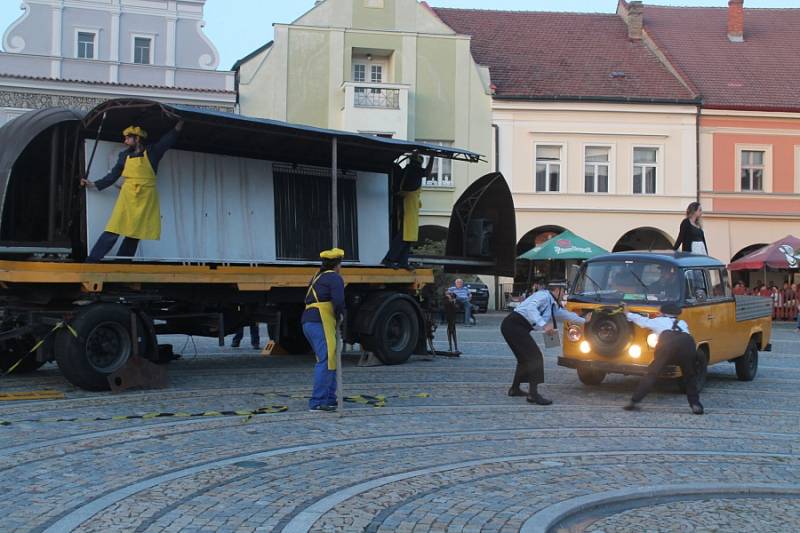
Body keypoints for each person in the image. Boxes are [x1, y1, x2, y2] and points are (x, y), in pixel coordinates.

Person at [82, 121, 184, 261]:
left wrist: (178, 126)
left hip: (146, 197)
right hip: (128, 195)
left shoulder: (153, 152)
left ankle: (122, 264)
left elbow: (167, 141)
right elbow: (113, 175)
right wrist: (94, 184)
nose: (125, 141)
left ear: (137, 138)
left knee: (135, 233)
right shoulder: (124, 156)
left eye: (128, 138)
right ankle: (91, 261)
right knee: (114, 227)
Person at [502, 280, 587, 405]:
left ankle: (514, 389)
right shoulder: (543, 295)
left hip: (513, 326)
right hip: (514, 325)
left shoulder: (552, 303)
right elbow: (531, 308)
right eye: (563, 291)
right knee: (535, 357)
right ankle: (533, 394)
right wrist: (544, 325)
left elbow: (565, 315)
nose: (564, 294)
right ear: (557, 290)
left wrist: (585, 321)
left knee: (524, 359)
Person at [622, 303, 704, 415]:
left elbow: (642, 321)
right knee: (689, 376)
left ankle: (634, 401)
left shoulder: (659, 321)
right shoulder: (683, 323)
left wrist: (627, 312)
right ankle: (695, 405)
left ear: (663, 313)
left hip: (668, 346)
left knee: (652, 373)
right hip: (687, 346)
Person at [302, 248, 346, 412]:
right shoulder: (334, 278)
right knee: (326, 359)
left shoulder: (317, 276)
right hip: (320, 321)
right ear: (338, 264)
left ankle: (329, 398)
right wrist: (341, 315)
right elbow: (339, 301)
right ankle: (318, 402)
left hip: (309, 321)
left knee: (329, 358)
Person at [382, 153, 433, 269]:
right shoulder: (412, 170)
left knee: (409, 235)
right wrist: (433, 157)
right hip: (408, 203)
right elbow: (427, 173)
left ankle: (403, 262)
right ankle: (389, 259)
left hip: (411, 203)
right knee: (404, 234)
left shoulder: (410, 169)